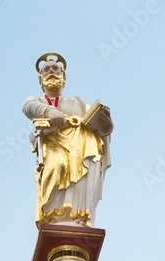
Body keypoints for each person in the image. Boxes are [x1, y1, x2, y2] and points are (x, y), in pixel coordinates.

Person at [23, 53, 113, 226]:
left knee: (84, 170)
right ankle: (53, 215)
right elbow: (28, 106)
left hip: (81, 149)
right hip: (54, 146)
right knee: (55, 167)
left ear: (63, 77)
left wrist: (106, 127)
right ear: (40, 80)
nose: (51, 72)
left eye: (56, 69)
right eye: (46, 70)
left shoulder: (79, 103)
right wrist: (49, 111)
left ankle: (79, 214)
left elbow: (96, 124)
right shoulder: (38, 101)